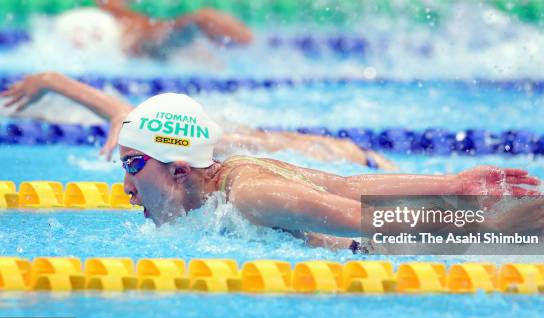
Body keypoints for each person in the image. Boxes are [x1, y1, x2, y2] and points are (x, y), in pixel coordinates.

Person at [113, 93, 544, 250]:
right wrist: (453, 184)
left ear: (177, 169)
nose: (126, 187)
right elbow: (348, 184)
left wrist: (495, 228)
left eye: (132, 165)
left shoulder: (247, 195)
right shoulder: (236, 170)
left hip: (390, 254)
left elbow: (368, 219)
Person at [0, 72, 397, 169]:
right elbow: (124, 112)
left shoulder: (214, 146)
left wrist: (53, 81)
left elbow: (125, 112)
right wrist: (52, 81)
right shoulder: (179, 142)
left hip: (356, 158)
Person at [53, 0, 252, 58]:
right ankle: (251, 48)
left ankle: (249, 48)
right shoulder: (109, 7)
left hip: (149, 45)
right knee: (205, 17)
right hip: (146, 43)